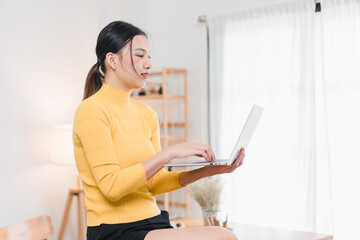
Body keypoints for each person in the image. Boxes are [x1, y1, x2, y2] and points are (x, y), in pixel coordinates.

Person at [73, 21, 245, 240]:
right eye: (139, 55)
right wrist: (169, 153)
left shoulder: (146, 114)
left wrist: (211, 170)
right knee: (222, 237)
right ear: (112, 60)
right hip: (114, 230)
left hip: (153, 222)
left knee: (224, 234)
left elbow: (153, 184)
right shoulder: (91, 110)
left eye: (149, 56)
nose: (148, 64)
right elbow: (112, 187)